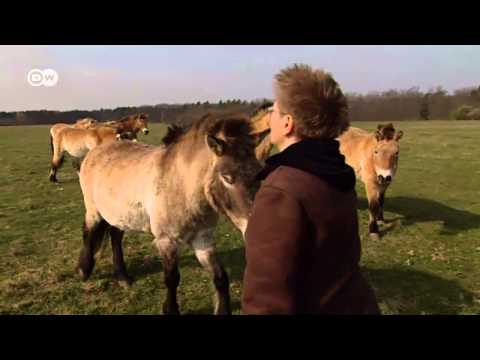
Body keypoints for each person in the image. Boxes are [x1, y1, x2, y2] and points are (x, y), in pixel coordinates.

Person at [242, 64, 381, 314]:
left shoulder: (282, 190)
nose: (268, 117)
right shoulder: (338, 172)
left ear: (287, 123)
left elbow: (266, 298)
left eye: (273, 110)